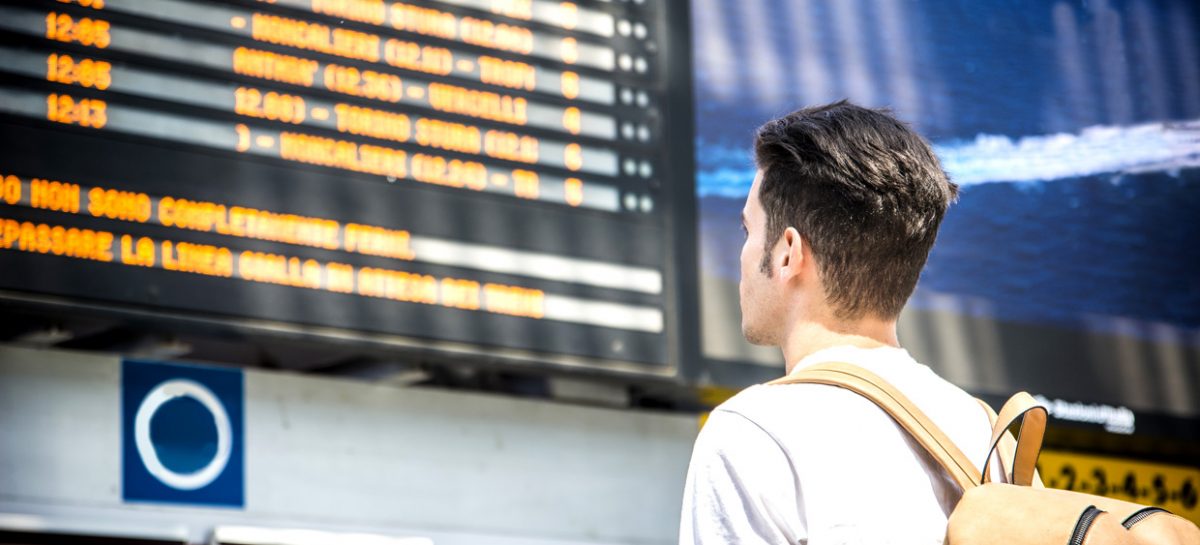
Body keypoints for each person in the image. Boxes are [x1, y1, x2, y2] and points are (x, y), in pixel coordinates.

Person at [680, 101, 1004, 544]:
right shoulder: (988, 434)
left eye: (747, 231)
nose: (742, 253)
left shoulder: (754, 431)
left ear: (788, 252)